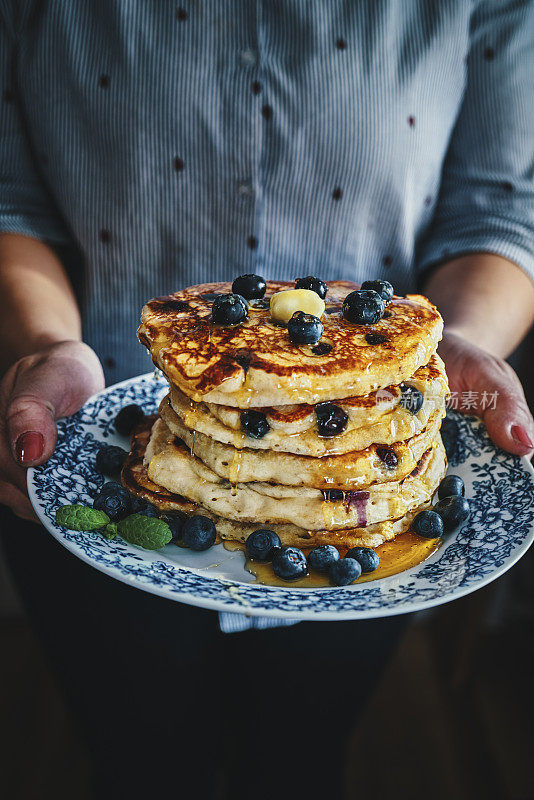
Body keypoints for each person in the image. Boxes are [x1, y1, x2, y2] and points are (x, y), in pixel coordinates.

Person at [1, 2, 533, 798]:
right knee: (138, 765)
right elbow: (11, 199)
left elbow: (496, 207)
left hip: (376, 500)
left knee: (300, 760)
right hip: (104, 453)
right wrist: (42, 345)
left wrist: (457, 345)